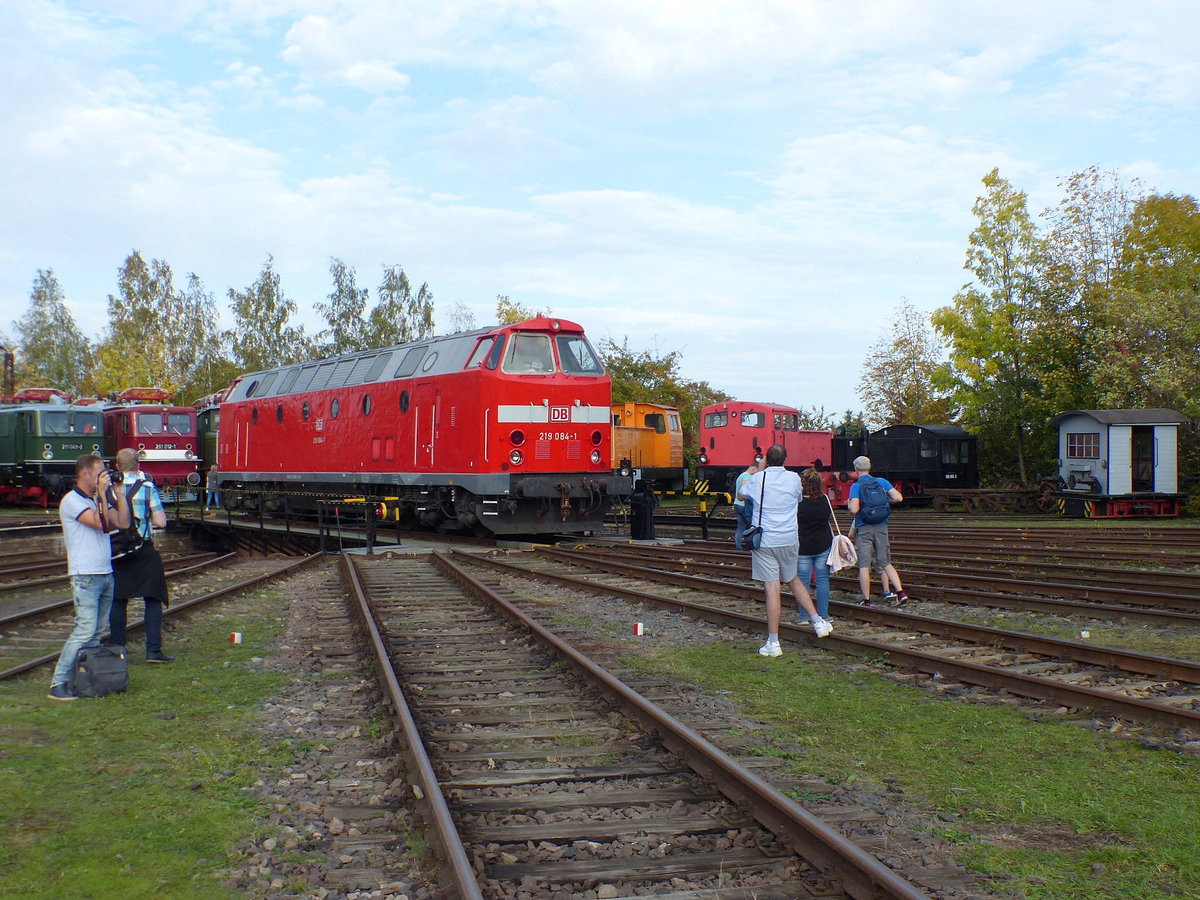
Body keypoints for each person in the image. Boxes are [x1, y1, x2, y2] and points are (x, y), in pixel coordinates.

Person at [737, 444, 833, 657]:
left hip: (765, 540)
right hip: (789, 538)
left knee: (772, 588)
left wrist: (759, 469)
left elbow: (741, 495)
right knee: (793, 579)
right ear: (785, 460)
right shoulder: (794, 479)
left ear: (766, 459)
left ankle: (773, 642)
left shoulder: (758, 478)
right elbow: (798, 499)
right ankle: (818, 621)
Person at [48, 454, 130, 701]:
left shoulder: (97, 499)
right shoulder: (72, 501)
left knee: (96, 633)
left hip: (105, 572)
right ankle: (58, 683)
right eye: (100, 472)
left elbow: (123, 522)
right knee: (84, 631)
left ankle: (84, 679)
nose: (104, 475)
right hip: (85, 574)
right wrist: (103, 495)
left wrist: (120, 493)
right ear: (85, 474)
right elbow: (100, 524)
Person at [109, 448, 174, 663]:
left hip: (117, 550)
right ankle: (153, 651)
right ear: (138, 465)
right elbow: (161, 522)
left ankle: (118, 649)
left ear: (117, 466)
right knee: (153, 598)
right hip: (143, 548)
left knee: (118, 599)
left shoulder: (108, 488)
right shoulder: (146, 487)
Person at [847, 455, 909, 607]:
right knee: (886, 562)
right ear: (870, 467)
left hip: (864, 527)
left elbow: (854, 509)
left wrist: (849, 503)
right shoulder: (881, 481)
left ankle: (867, 600)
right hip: (881, 526)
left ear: (856, 469)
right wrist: (885, 501)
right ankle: (901, 592)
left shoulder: (856, 486)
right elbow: (899, 498)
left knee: (864, 565)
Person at [796, 468, 834, 620]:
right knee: (822, 580)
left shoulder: (798, 502)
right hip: (823, 544)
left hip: (803, 545)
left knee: (803, 582)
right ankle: (823, 614)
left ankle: (804, 617)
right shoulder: (825, 499)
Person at [732, 457, 762, 551]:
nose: (756, 474)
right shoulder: (747, 476)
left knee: (740, 527)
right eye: (756, 471)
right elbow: (745, 487)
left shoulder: (741, 475)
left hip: (737, 504)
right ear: (753, 469)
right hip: (744, 505)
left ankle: (739, 547)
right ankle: (750, 546)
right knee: (750, 527)